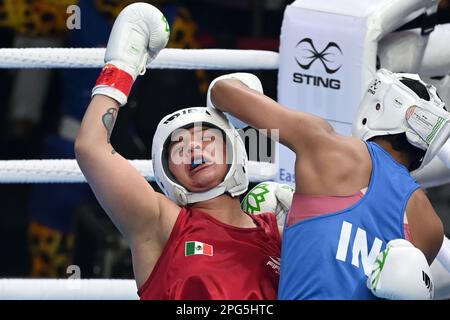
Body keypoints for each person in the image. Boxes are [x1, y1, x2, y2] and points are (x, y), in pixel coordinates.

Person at [75, 3, 281, 300]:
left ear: (233, 147)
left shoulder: (276, 228)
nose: (193, 148)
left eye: (206, 138)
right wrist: (121, 67)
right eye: (178, 147)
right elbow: (90, 148)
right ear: (167, 172)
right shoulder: (161, 222)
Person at [209, 69, 448, 299]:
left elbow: (224, 91)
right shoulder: (430, 227)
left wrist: (245, 86)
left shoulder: (329, 147)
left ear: (379, 106)